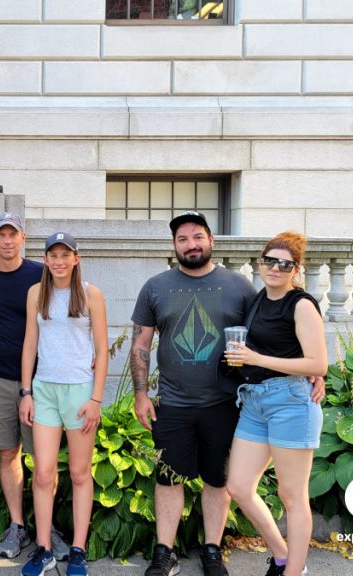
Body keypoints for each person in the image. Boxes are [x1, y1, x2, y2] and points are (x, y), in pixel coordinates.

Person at [130, 211, 257, 576]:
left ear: (211, 240)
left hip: (225, 402)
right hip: (173, 403)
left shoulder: (240, 286)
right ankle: (164, 552)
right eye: (183, 239)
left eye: (197, 236)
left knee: (218, 479)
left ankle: (212, 550)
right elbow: (141, 344)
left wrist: (310, 370)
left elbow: (266, 333)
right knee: (168, 478)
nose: (191, 244)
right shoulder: (156, 286)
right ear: (174, 246)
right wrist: (141, 394)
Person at [0, 213, 69, 560]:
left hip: (41, 380)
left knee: (43, 459)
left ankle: (46, 527)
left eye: (14, 234)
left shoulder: (39, 275)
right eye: (2, 235)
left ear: (23, 238)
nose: (8, 240)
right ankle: (17, 525)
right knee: (8, 453)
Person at [224, 232, 327, 576]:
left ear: (296, 269)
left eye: (285, 264)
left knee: (292, 496)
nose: (275, 268)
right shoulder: (257, 300)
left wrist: (256, 357)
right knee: (238, 486)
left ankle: (294, 572)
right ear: (260, 262)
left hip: (291, 402)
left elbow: (317, 364)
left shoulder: (301, 304)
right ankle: (282, 555)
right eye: (270, 260)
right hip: (255, 401)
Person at [18, 233, 109, 576]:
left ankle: (79, 549)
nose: (58, 261)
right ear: (45, 260)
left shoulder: (90, 293)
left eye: (64, 255)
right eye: (52, 255)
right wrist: (25, 392)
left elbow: (102, 350)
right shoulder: (35, 293)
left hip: (79, 392)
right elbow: (30, 344)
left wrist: (96, 399)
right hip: (44, 391)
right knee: (42, 473)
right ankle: (44, 548)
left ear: (75, 258)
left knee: (79, 472)